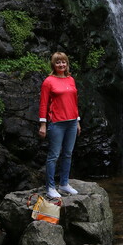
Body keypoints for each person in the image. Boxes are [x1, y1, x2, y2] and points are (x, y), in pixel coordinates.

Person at [39, 51, 80, 198]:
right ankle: (50, 187)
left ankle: (64, 184)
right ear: (53, 64)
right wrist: (43, 124)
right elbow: (43, 104)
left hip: (72, 122)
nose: (61, 64)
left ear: (67, 64)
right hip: (57, 123)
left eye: (63, 62)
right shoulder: (48, 81)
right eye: (58, 62)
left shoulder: (71, 79)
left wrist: (78, 121)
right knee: (54, 156)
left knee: (68, 154)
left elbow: (75, 101)